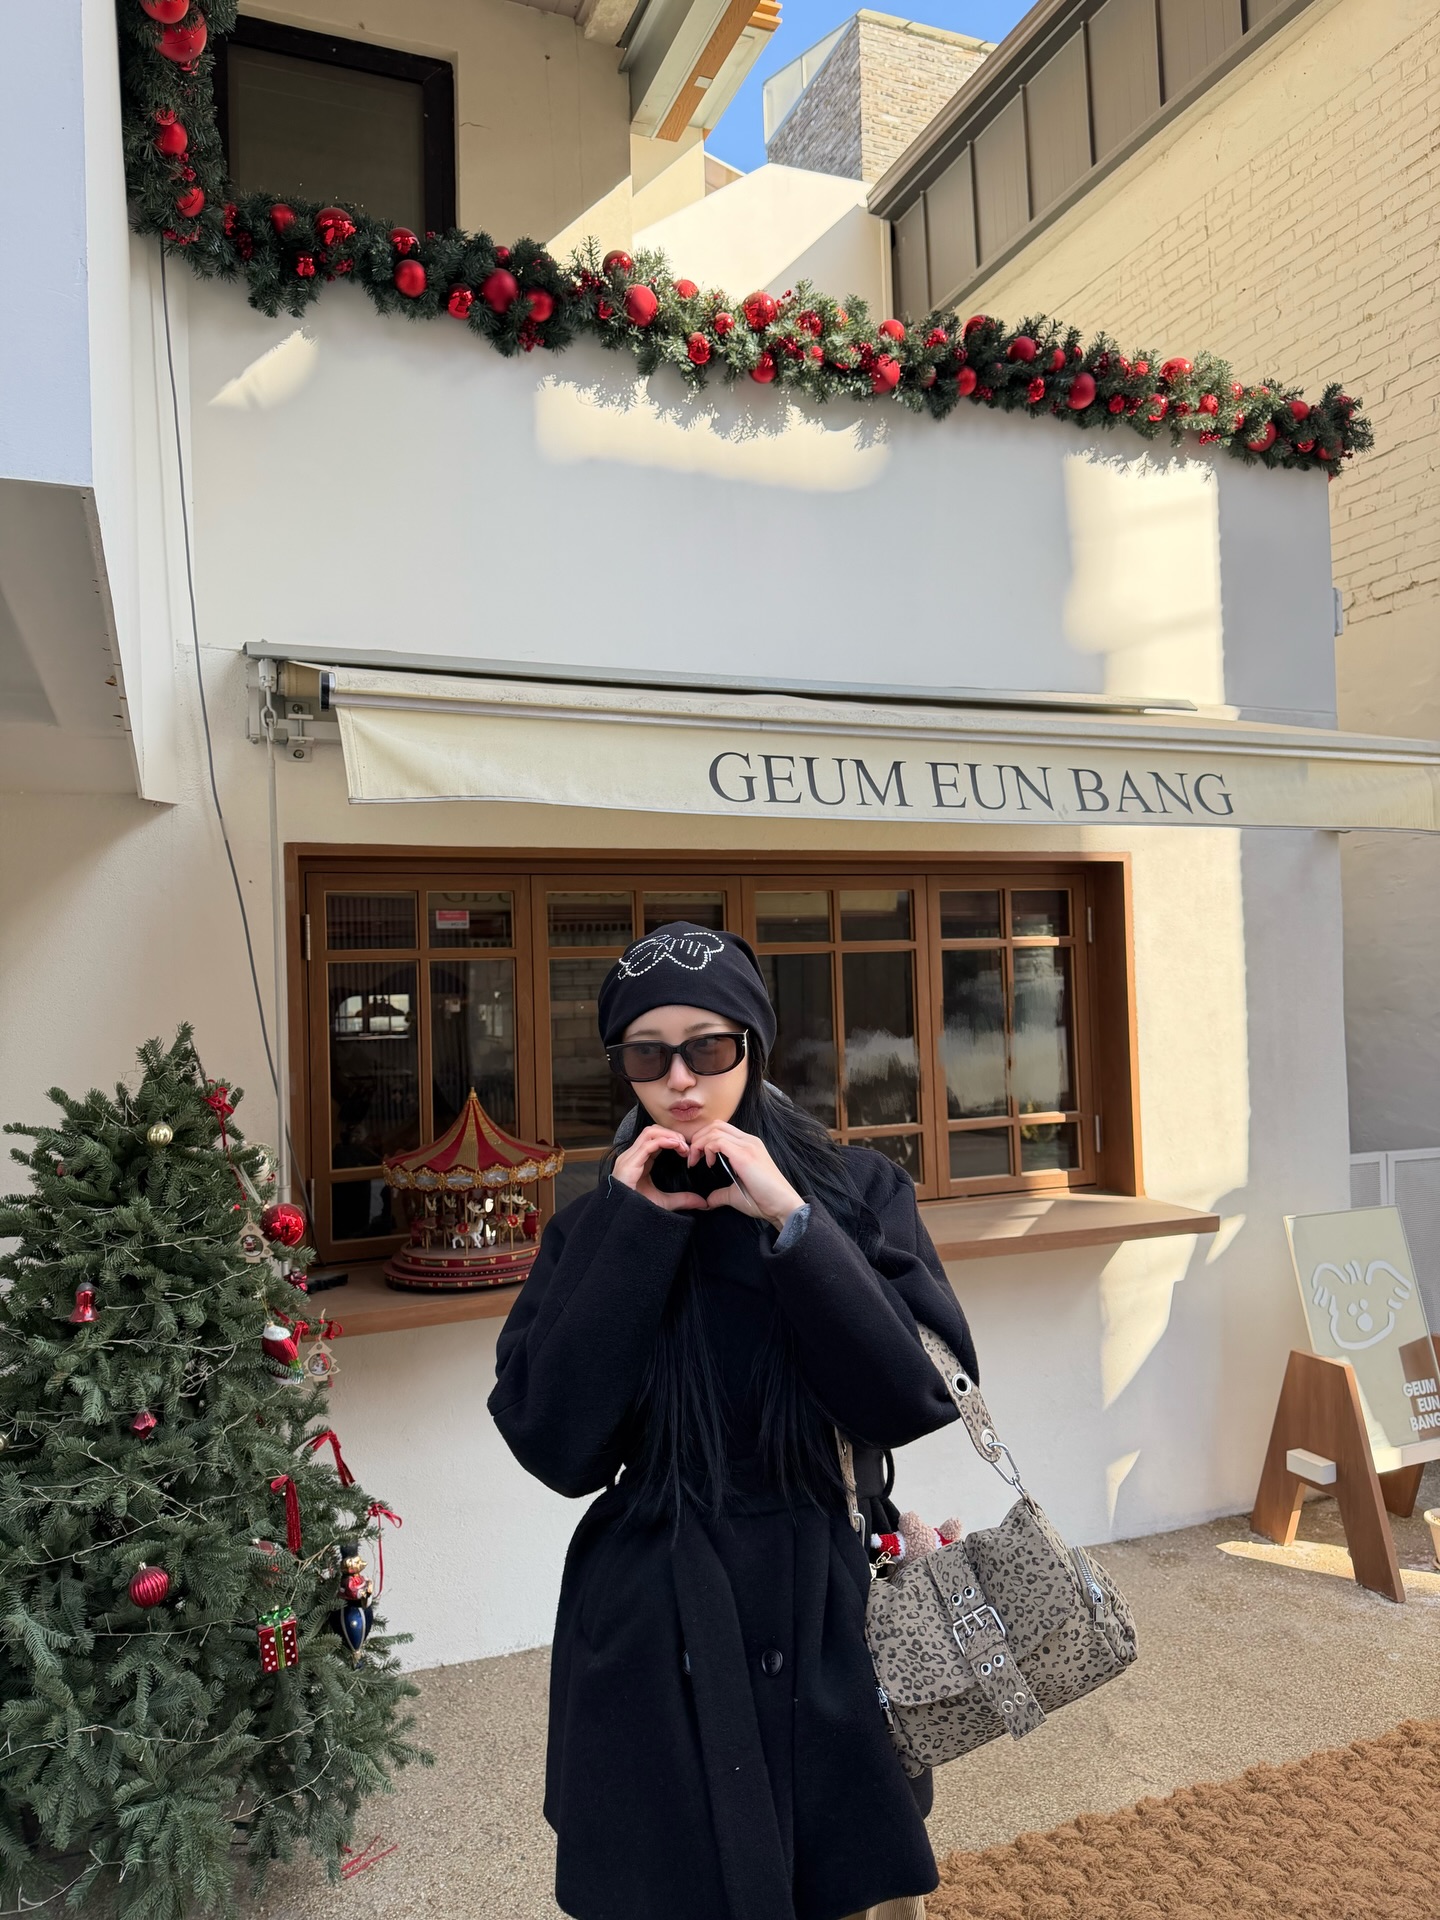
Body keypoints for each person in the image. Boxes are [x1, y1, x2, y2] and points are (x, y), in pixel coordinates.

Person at [489, 923, 978, 1920]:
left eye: (709, 1047)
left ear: (753, 1047)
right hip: (653, 1614)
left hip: (831, 1594)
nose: (680, 1079)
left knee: (847, 1883)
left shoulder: (856, 1192)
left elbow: (918, 1394)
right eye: (647, 1055)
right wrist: (632, 1234)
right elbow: (553, 1442)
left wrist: (793, 1222)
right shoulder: (593, 1225)